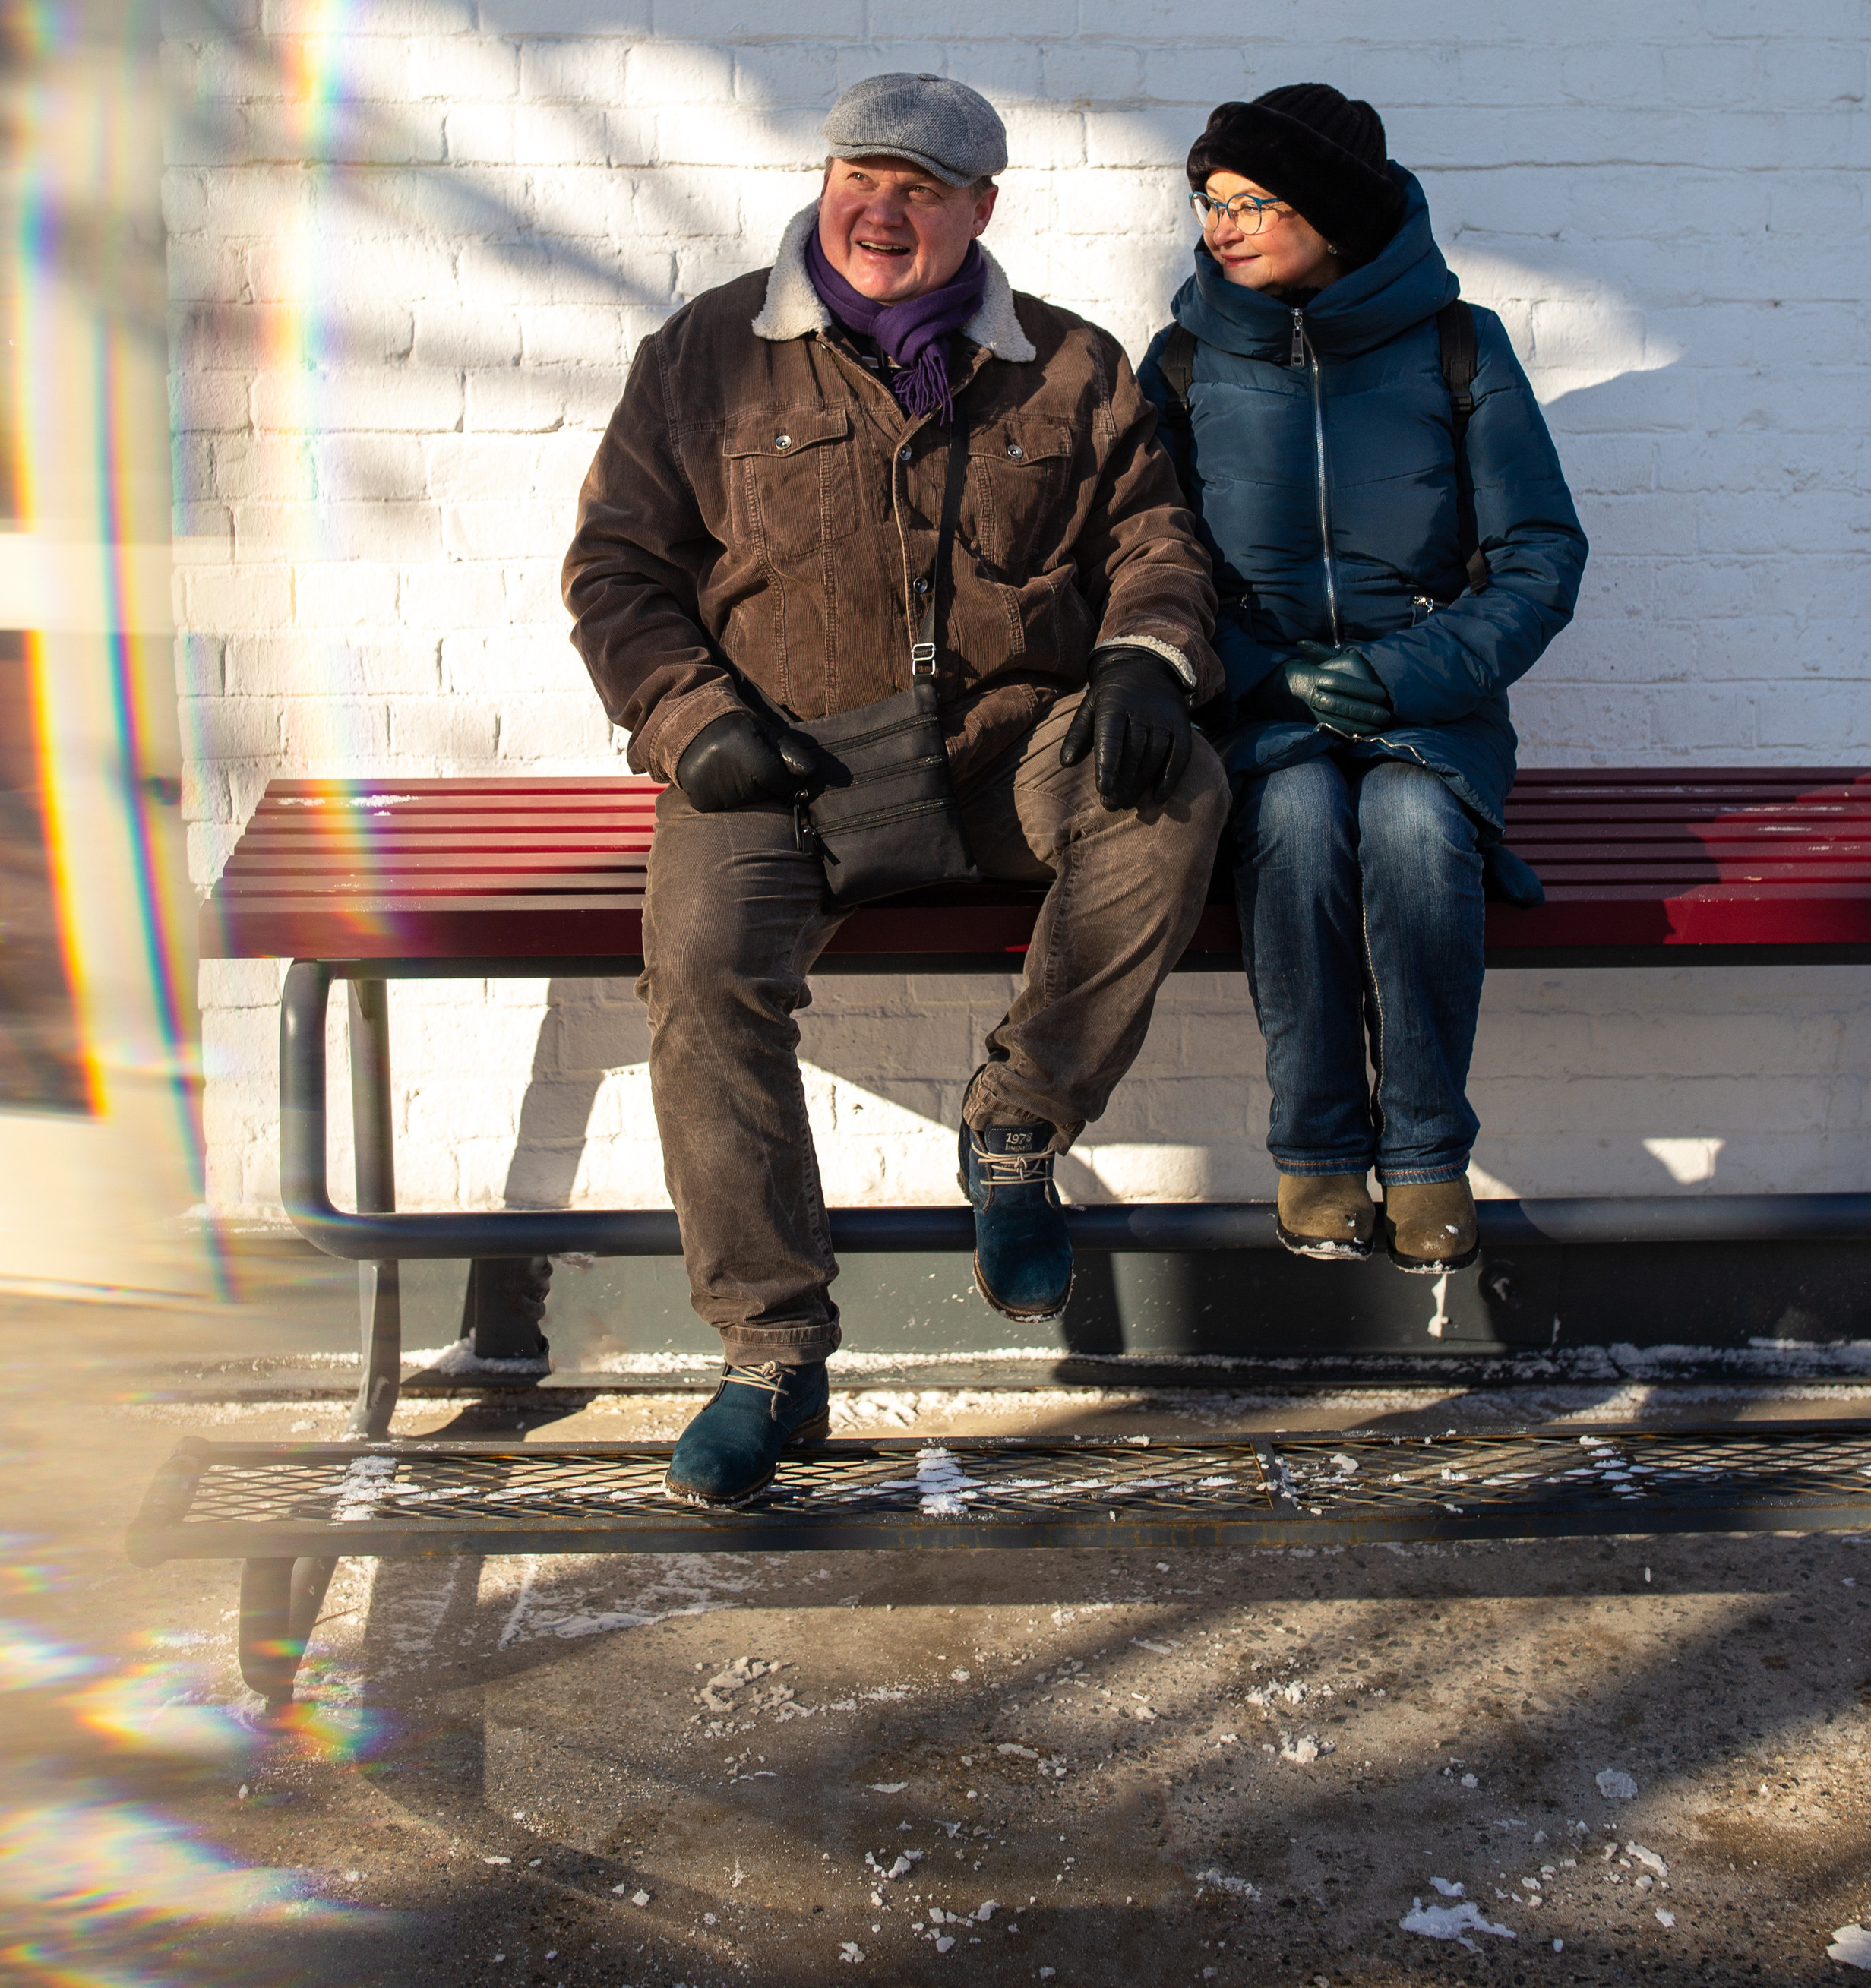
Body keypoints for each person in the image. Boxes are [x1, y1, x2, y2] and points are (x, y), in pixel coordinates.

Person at [564, 73, 1228, 1503]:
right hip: (782, 767)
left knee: (1179, 799)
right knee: (700, 969)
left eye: (923, 191)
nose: (884, 211)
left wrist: (1145, 660)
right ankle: (771, 1354)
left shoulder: (1070, 366)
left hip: (1005, 751)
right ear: (824, 181)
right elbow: (616, 570)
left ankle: (1014, 1129)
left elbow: (1157, 541)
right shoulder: (707, 355)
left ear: (981, 211)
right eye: (862, 176)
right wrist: (692, 721)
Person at [1138, 84, 1587, 1276]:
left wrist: (1399, 673)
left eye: (1254, 202)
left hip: (1431, 711)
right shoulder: (1182, 361)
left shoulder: (1459, 345)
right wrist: (1261, 679)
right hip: (1259, 714)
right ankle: (1318, 1148)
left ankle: (1429, 1154)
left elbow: (1540, 556)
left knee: (1408, 819)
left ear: (1338, 215)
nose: (1221, 225)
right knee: (1288, 812)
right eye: (1209, 203)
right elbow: (1142, 562)